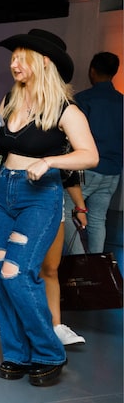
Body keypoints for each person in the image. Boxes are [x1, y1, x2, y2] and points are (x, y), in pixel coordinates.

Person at [0, 29, 98, 387]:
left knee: (16, 273)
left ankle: (48, 352)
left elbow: (90, 155)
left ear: (44, 62)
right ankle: (15, 353)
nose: (13, 64)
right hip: (3, 194)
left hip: (39, 196)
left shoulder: (65, 109)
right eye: (12, 58)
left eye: (20, 57)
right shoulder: (10, 100)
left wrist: (49, 161)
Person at [0, 138, 86, 346]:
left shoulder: (62, 128)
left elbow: (70, 177)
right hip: (10, 200)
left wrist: (80, 207)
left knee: (50, 268)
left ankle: (55, 325)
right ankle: (11, 319)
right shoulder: (6, 127)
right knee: (9, 266)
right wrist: (1, 145)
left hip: (49, 200)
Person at [63, 52, 123, 254]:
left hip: (86, 170)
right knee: (98, 220)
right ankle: (95, 266)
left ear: (92, 71)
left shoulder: (82, 100)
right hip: (113, 171)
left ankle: (79, 260)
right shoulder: (121, 102)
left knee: (68, 212)